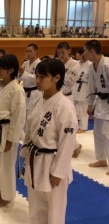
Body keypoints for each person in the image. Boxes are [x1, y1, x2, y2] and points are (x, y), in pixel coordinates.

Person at [21, 58, 78, 224]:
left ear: (56, 78)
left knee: (55, 211)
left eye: (42, 77)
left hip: (53, 164)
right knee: (35, 206)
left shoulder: (65, 106)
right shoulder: (38, 99)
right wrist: (25, 154)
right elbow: (29, 130)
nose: (37, 80)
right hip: (35, 160)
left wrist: (58, 171)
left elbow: (67, 142)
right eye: (36, 76)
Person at [0, 54, 26, 208]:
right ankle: (1, 192)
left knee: (6, 165)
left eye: (1, 69)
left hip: (8, 131)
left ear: (11, 70)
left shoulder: (17, 89)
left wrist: (12, 139)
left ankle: (7, 196)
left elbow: (19, 117)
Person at [84, 39, 109, 172]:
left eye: (85, 51)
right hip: (100, 102)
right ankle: (101, 159)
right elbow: (91, 87)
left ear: (92, 51)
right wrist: (89, 104)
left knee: (107, 133)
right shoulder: (91, 66)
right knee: (98, 131)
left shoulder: (107, 64)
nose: (84, 54)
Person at [56, 41, 82, 158]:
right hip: (57, 96)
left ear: (69, 51)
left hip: (68, 96)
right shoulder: (57, 63)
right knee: (58, 123)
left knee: (69, 123)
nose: (61, 54)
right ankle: (72, 146)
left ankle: (75, 146)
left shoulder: (75, 64)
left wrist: (59, 74)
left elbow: (70, 81)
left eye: (63, 52)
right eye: (58, 52)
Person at [73, 48, 91, 133]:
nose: (76, 55)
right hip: (75, 86)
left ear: (81, 55)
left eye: (78, 53)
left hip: (84, 86)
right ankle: (76, 125)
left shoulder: (89, 64)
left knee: (83, 107)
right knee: (75, 108)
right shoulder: (76, 63)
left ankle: (83, 127)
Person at [19, 43, 42, 111]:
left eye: (30, 51)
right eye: (27, 51)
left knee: (33, 113)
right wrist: (20, 74)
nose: (28, 53)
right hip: (25, 91)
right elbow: (20, 76)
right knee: (24, 112)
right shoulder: (25, 63)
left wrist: (24, 73)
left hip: (35, 92)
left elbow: (38, 79)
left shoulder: (40, 63)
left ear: (36, 51)